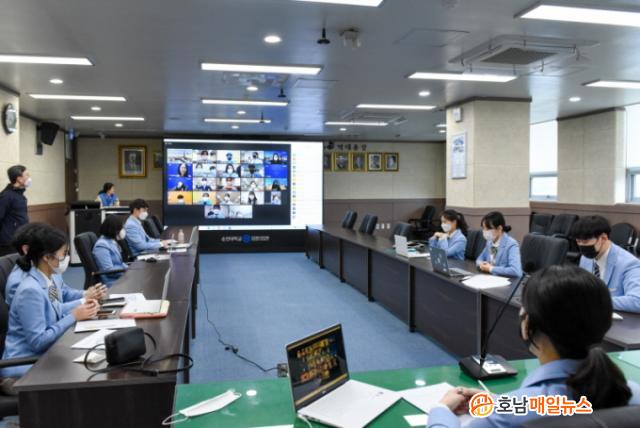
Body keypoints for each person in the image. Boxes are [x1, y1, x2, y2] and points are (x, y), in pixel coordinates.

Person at [428, 265, 640, 427]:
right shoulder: (632, 393)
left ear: (527, 325)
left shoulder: (506, 417)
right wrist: (499, 402)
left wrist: (441, 409)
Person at [0, 226, 100, 384]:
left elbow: (56, 307)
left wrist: (83, 304)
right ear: (47, 257)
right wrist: (74, 315)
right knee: (87, 372)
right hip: (24, 365)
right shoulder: (30, 290)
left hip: (44, 354)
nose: (66, 258)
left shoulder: (47, 277)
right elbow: (38, 342)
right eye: (63, 253)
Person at [5, 223, 106, 307]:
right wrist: (82, 301)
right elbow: (51, 312)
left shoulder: (48, 266)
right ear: (27, 250)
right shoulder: (20, 284)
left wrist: (86, 294)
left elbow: (63, 292)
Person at [571, 215, 640, 313]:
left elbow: (637, 301)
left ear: (603, 238)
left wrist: (595, 301)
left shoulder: (629, 264)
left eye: (585, 242)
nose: (582, 246)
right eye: (578, 241)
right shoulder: (586, 258)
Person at [476, 211, 522, 277]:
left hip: (505, 280)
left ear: (499, 228)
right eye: (483, 228)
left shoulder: (511, 244)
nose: (485, 231)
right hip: (490, 277)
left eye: (488, 229)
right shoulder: (489, 242)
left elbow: (516, 271)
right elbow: (479, 259)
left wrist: (491, 268)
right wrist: (482, 264)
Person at [0, 165, 30, 256]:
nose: (29, 177)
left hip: (20, 239)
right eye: (27, 175)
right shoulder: (6, 196)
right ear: (19, 179)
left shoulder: (20, 195)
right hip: (9, 243)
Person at [92, 215, 129, 286]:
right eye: (121, 228)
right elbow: (109, 270)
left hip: (119, 277)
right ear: (114, 229)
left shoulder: (111, 241)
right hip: (111, 282)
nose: (122, 230)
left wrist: (129, 268)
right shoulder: (101, 245)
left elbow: (119, 263)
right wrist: (126, 271)